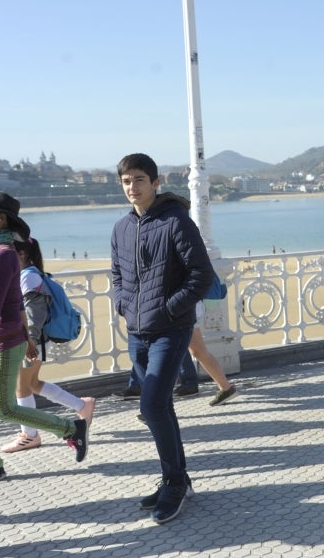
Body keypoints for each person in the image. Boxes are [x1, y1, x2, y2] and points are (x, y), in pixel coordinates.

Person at [0, 192, 89, 488]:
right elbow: (16, 301)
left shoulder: (2, 255)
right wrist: (28, 338)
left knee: (3, 408)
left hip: (1, 341)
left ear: (0, 219)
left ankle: (70, 429)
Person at [111, 153, 214, 524]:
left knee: (152, 406)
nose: (132, 187)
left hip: (170, 329)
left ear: (155, 183)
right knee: (160, 407)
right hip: (136, 332)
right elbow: (117, 274)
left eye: (139, 180)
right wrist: (123, 304)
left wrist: (170, 309)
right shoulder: (121, 228)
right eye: (126, 181)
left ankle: (174, 482)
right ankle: (178, 479)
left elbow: (201, 275)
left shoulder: (176, 222)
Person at [0, 237, 96, 453]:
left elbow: (34, 315)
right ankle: (82, 405)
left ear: (22, 254)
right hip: (38, 340)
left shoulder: (29, 277)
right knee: (31, 384)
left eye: (9, 253)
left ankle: (29, 436)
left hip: (34, 341)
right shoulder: (31, 274)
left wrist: (28, 342)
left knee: (21, 386)